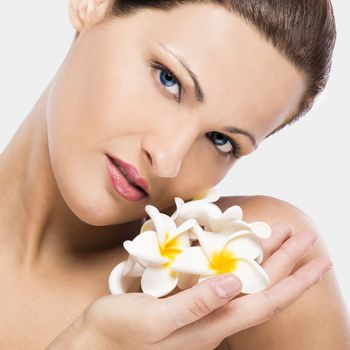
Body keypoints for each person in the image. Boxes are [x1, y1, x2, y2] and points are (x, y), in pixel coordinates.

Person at [0, 0, 349, 349]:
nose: (167, 160)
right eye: (169, 80)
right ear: (93, 5)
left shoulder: (248, 266)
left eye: (221, 141)